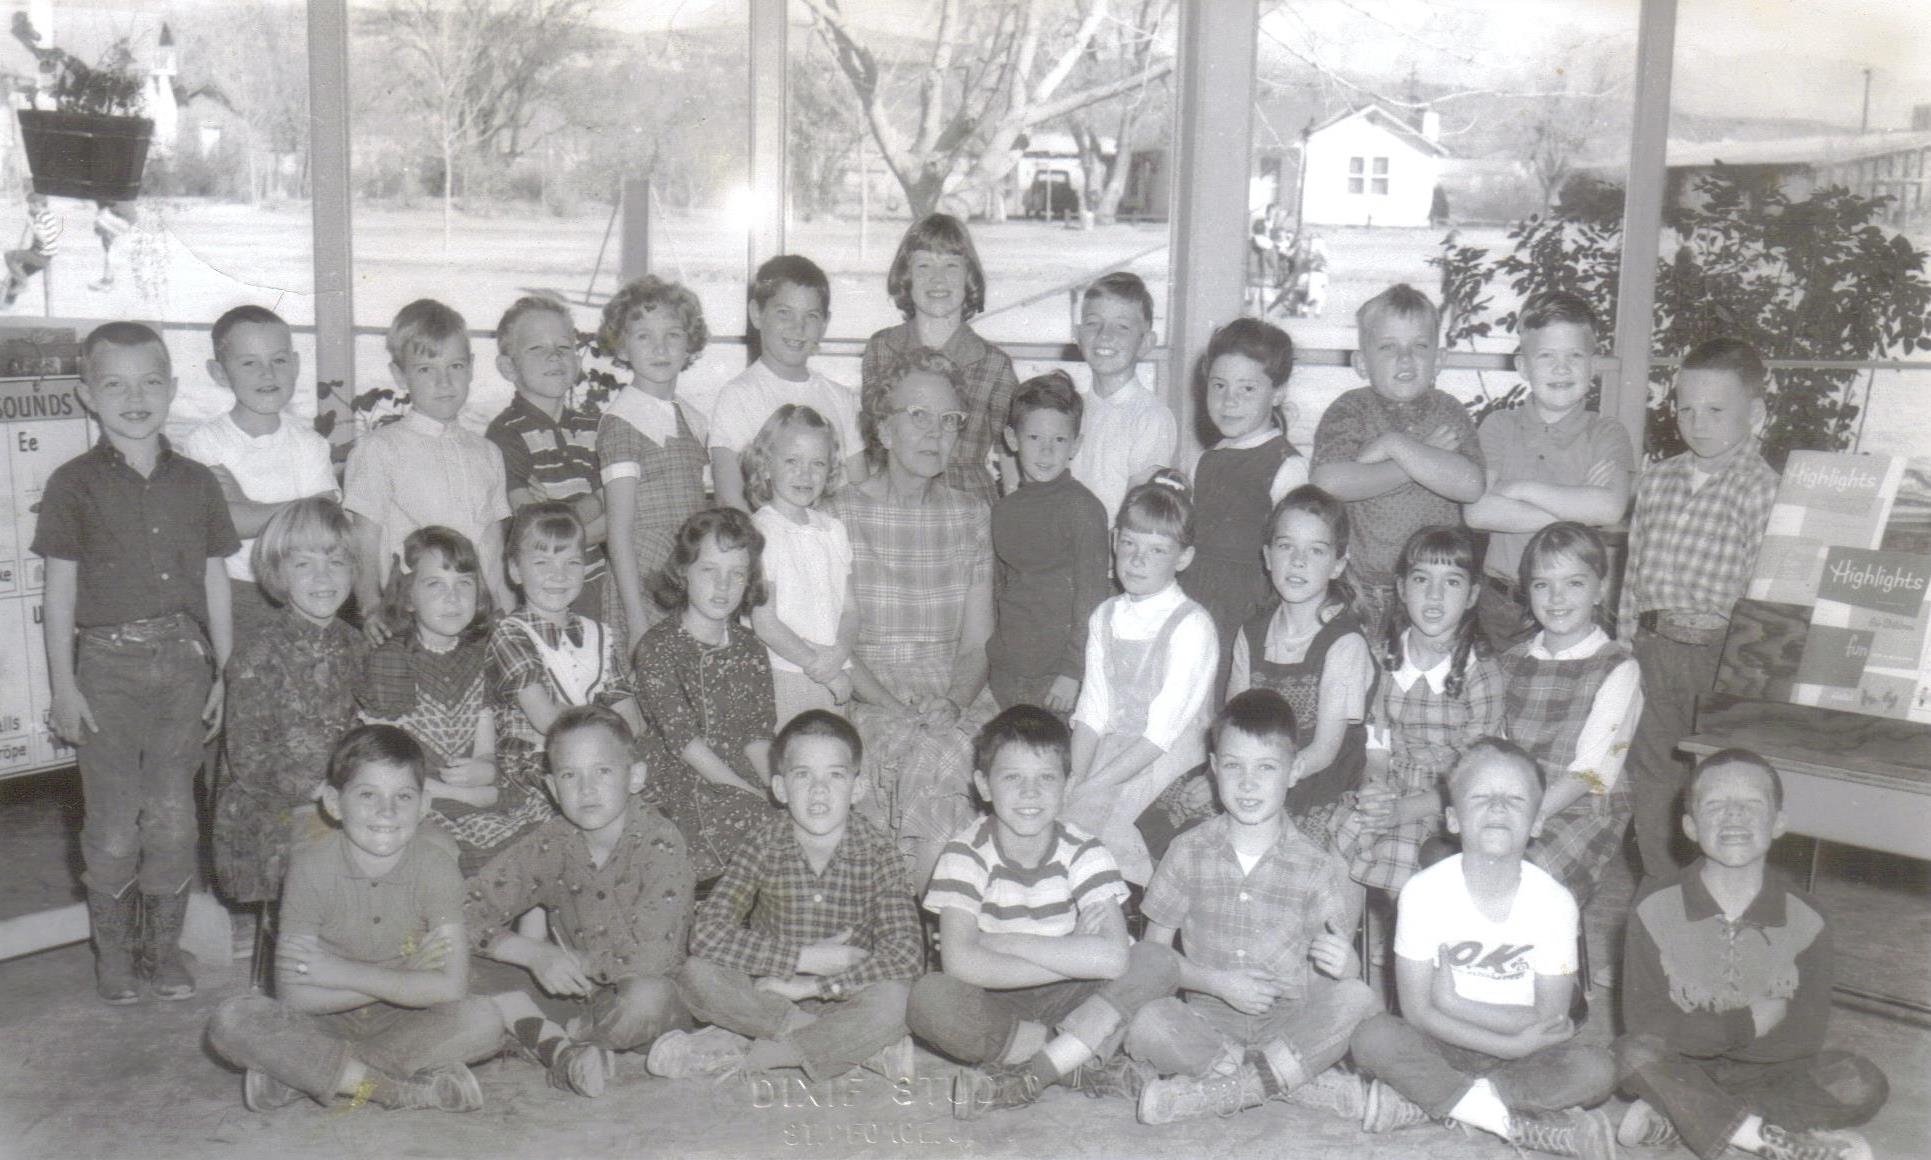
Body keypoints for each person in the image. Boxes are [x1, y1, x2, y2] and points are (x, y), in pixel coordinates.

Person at [36, 321, 238, 1005]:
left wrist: (226, 674)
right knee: (116, 824)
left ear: (173, 390)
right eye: (114, 384)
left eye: (150, 381)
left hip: (184, 665)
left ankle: (162, 949)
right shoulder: (71, 485)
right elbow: (58, 592)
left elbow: (214, 580)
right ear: (86, 395)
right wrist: (64, 686)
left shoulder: (198, 482)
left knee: (175, 818)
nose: (134, 397)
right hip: (105, 672)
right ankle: (115, 954)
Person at [206, 726, 502, 1113]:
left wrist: (338, 973)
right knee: (234, 1019)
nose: (387, 812)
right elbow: (296, 995)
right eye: (367, 795)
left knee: (485, 1020)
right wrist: (408, 975)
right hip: (324, 1020)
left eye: (404, 796)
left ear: (425, 805)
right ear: (333, 802)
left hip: (407, 1020)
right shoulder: (311, 868)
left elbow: (450, 988)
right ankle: (392, 1091)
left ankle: (309, 1073)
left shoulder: (438, 867)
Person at [1350, 738, 1619, 1159]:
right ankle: (1504, 1120)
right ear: (1453, 820)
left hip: (1523, 1051)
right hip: (1442, 1042)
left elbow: (1550, 1018)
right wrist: (1509, 1039)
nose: (1497, 807)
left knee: (1597, 1070)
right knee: (1372, 1036)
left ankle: (1425, 1104)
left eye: (1514, 798)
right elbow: (1417, 1012)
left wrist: (1455, 1003)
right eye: (1481, 797)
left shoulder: (1554, 902)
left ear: (1537, 822)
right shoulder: (1422, 892)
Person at [1614, 750, 1889, 1160]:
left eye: (1751, 804)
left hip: (1772, 1074)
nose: (1734, 816)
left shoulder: (1808, 916)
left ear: (1779, 822)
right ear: (1690, 826)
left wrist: (1714, 1042)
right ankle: (1760, 1136)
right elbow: (1645, 1021)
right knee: (1631, 1054)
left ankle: (1685, 1118)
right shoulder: (1654, 906)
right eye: (1716, 805)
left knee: (1860, 1081)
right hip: (1683, 1063)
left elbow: (1805, 1034)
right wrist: (1742, 1025)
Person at [909, 707, 1180, 1119]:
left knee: (1157, 960)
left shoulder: (1086, 850)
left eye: (1046, 778)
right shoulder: (964, 853)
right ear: (984, 784)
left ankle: (1032, 1072)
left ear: (1067, 787)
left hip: (1074, 997)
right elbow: (961, 964)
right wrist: (1073, 951)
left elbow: (1112, 959)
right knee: (930, 999)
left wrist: (1003, 942)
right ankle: (1078, 1063)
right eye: (1013, 778)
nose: (1030, 793)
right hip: (999, 999)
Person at [1127, 689, 1382, 1125]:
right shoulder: (1187, 850)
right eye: (1233, 766)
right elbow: (1154, 958)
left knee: (1357, 997)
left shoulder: (1314, 864)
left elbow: (1332, 974)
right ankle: (1295, 1084)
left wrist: (1347, 965)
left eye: (1266, 768)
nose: (1248, 783)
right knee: (1145, 1020)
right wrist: (1218, 983)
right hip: (1209, 1019)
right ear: (1213, 769)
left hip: (1290, 1023)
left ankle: (1222, 1092)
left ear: (1294, 771)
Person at [661, 710, 921, 1082]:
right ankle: (861, 1050)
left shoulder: (880, 852)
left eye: (835, 775)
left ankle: (769, 1049)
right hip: (769, 995)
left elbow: (907, 953)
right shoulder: (763, 842)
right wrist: (808, 958)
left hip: (849, 994)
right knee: (696, 973)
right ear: (780, 789)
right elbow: (707, 933)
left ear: (857, 789)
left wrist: (813, 985)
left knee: (898, 999)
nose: (819, 790)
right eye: (803, 775)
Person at [829, 347, 998, 888]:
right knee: (935, 755)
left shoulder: (972, 514)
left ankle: (951, 925)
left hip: (955, 693)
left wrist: (953, 702)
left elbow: (977, 645)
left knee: (977, 753)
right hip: (869, 692)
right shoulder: (839, 514)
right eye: (918, 416)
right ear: (882, 429)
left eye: (949, 421)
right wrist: (896, 705)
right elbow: (838, 646)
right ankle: (931, 925)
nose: (936, 433)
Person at [465, 705, 694, 1098]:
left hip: (641, 997)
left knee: (649, 996)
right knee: (456, 960)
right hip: (570, 993)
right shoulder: (553, 841)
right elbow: (464, 907)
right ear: (553, 789)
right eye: (571, 775)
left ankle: (558, 1044)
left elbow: (655, 956)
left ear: (634, 776)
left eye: (603, 771)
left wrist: (577, 963)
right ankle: (573, 1046)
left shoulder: (661, 841)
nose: (587, 789)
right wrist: (532, 954)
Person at [1619, 337, 1780, 881]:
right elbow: (1632, 576)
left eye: (1715, 410)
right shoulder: (1659, 479)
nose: (1697, 422)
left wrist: (1745, 676)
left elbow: (1763, 595)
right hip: (1652, 649)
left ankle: (1720, 891)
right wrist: (1623, 650)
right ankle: (1662, 889)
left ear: (1754, 414)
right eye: (1685, 408)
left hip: (1719, 658)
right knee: (1653, 774)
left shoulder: (1763, 490)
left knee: (1721, 778)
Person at [1331, 525, 1504, 895]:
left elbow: (1477, 774)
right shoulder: (1384, 656)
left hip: (1451, 798)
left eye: (1452, 582)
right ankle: (1343, 951)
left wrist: (1403, 811)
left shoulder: (1480, 670)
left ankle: (1408, 951)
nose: (1435, 595)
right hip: (1394, 781)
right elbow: (1378, 740)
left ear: (1472, 594)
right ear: (1401, 588)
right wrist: (1375, 787)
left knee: (1404, 872)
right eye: (1422, 579)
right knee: (1338, 856)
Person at [1065, 477, 1217, 886]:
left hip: (1166, 764)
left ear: (1183, 558)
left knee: (1119, 838)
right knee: (1067, 820)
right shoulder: (1105, 616)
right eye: (1130, 543)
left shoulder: (1192, 625)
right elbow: (1092, 712)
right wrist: (1078, 781)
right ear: (1115, 540)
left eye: (1157, 550)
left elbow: (1162, 732)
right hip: (1109, 755)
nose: (1137, 560)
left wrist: (1095, 786)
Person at [213, 499, 364, 911]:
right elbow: (251, 761)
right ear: (278, 573)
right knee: (348, 855)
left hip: (346, 799)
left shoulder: (357, 644)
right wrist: (327, 793)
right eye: (303, 564)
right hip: (268, 810)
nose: (323, 577)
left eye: (336, 562)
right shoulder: (257, 653)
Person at [357, 527, 533, 875]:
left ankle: (531, 931)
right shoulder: (392, 660)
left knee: (538, 837)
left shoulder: (481, 654)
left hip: (477, 793)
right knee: (446, 853)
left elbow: (485, 743)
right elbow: (387, 762)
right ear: (408, 597)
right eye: (435, 584)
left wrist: (487, 767)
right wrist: (465, 796)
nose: (452, 598)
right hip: (418, 795)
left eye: (464, 583)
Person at [1311, 284, 1485, 635]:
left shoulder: (1448, 411)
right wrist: (1418, 455)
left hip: (1435, 590)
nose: (1405, 359)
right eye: (1388, 347)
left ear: (1439, 359)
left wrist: (1393, 446)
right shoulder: (1351, 409)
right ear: (1362, 363)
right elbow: (1328, 483)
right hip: (1359, 587)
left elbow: (1471, 486)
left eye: (1419, 346)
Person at [1465, 291, 1633, 650]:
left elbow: (1609, 508)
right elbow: (1477, 512)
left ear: (1594, 364)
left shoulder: (1607, 432)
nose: (1562, 368)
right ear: (1523, 366)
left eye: (1575, 356)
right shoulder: (1497, 426)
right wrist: (1575, 515)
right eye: (1546, 356)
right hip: (1501, 603)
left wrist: (1520, 488)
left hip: (1572, 606)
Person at [630, 507, 780, 881]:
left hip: (741, 773)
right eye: (709, 570)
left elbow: (757, 737)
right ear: (683, 571)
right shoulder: (657, 647)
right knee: (759, 824)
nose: (723, 586)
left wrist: (779, 792)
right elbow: (687, 745)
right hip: (684, 780)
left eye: (737, 574)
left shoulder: (750, 647)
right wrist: (754, 797)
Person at [184, 304, 342, 648]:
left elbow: (321, 521)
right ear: (220, 373)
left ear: (296, 365)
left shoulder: (309, 444)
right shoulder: (206, 442)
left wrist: (248, 505)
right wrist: (297, 509)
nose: (267, 374)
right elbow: (227, 525)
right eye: (249, 363)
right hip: (235, 593)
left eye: (279, 360)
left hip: (304, 592)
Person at [345, 299, 513, 620]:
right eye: (426, 369)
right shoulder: (379, 449)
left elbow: (493, 553)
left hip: (474, 616)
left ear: (472, 367)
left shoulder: (488, 453)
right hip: (407, 615)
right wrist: (370, 607)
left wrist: (507, 616)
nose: (444, 382)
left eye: (456, 366)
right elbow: (365, 542)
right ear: (400, 375)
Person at [1503, 522, 1642, 905]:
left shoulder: (1617, 666)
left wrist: (1526, 815)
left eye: (1574, 583)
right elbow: (1493, 748)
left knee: (1522, 877)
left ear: (1600, 589)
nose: (1556, 597)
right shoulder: (1511, 661)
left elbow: (1593, 769)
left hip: (1578, 806)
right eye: (1542, 584)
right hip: (1512, 799)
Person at [1229, 486, 1374, 832]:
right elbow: (1233, 728)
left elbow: (1324, 751)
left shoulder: (1344, 643)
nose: (1298, 561)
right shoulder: (1250, 634)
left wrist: (1263, 781)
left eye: (1316, 551)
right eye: (1285, 546)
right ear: (1267, 556)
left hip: (1316, 779)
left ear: (1338, 564)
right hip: (1255, 775)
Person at [486, 502, 642, 819]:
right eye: (542, 562)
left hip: (598, 759)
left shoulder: (600, 634)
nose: (559, 575)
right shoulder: (510, 634)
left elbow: (632, 720)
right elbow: (546, 719)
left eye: (571, 562)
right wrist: (605, 735)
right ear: (515, 569)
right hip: (538, 762)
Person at [1182, 317, 1308, 699]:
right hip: (1195, 603)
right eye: (1218, 386)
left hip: (1249, 611)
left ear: (1278, 392)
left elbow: (1297, 554)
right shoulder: (1204, 461)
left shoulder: (1286, 466)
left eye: (1247, 388)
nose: (1228, 400)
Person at [861, 213, 1017, 507]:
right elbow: (870, 442)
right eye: (923, 266)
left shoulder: (995, 365)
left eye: (950, 266)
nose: (937, 279)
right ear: (906, 277)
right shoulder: (881, 348)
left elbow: (1011, 458)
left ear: (969, 277)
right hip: (895, 497)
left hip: (966, 504)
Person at [596, 275, 710, 653]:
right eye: (644, 336)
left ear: (690, 343)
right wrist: (636, 617)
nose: (660, 347)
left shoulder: (693, 419)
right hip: (642, 582)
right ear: (623, 346)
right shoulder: (622, 421)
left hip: (687, 579)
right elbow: (620, 528)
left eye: (673, 335)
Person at [987, 370, 1110, 714]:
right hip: (1007, 671)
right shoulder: (1004, 510)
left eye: (1058, 440)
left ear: (1076, 445)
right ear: (1012, 439)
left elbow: (1093, 598)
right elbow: (1000, 591)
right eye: (1034, 437)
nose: (1045, 451)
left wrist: (1073, 671)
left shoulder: (1083, 509)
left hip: (1058, 677)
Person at [484, 293, 607, 621]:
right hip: (543, 596)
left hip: (602, 588)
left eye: (564, 347)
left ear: (577, 361)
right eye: (537, 348)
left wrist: (559, 513)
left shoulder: (596, 427)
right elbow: (534, 533)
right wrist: (597, 501)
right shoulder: (504, 434)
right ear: (508, 367)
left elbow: (622, 513)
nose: (554, 356)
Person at [708, 254, 866, 511]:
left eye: (811, 316)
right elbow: (729, 500)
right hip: (765, 545)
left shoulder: (842, 398)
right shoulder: (738, 396)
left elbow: (859, 493)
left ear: (825, 324)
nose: (798, 328)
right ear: (756, 314)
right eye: (784, 313)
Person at [742, 404, 859, 722]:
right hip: (784, 673)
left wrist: (838, 656)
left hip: (833, 669)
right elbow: (765, 623)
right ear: (766, 465)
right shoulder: (760, 531)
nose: (805, 474)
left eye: (817, 463)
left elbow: (850, 610)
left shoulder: (832, 530)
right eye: (792, 461)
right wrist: (822, 668)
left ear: (831, 470)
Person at [1066, 271, 1176, 522]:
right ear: (1077, 334)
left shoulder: (1151, 417)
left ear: (1146, 342)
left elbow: (1138, 510)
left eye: (1123, 326)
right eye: (1093, 323)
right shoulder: (1070, 409)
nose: (1105, 335)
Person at [3, 191, 59, 306]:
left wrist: (31, 224)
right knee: (15, 276)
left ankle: (23, 284)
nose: (29, 208)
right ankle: (7, 305)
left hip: (40, 257)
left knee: (9, 256)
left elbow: (43, 238)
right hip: (42, 255)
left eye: (30, 205)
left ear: (37, 205)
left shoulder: (41, 218)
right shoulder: (49, 215)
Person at [88, 200, 132, 292]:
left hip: (124, 220)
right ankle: (108, 279)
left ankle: (108, 281)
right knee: (108, 242)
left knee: (100, 220)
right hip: (122, 218)